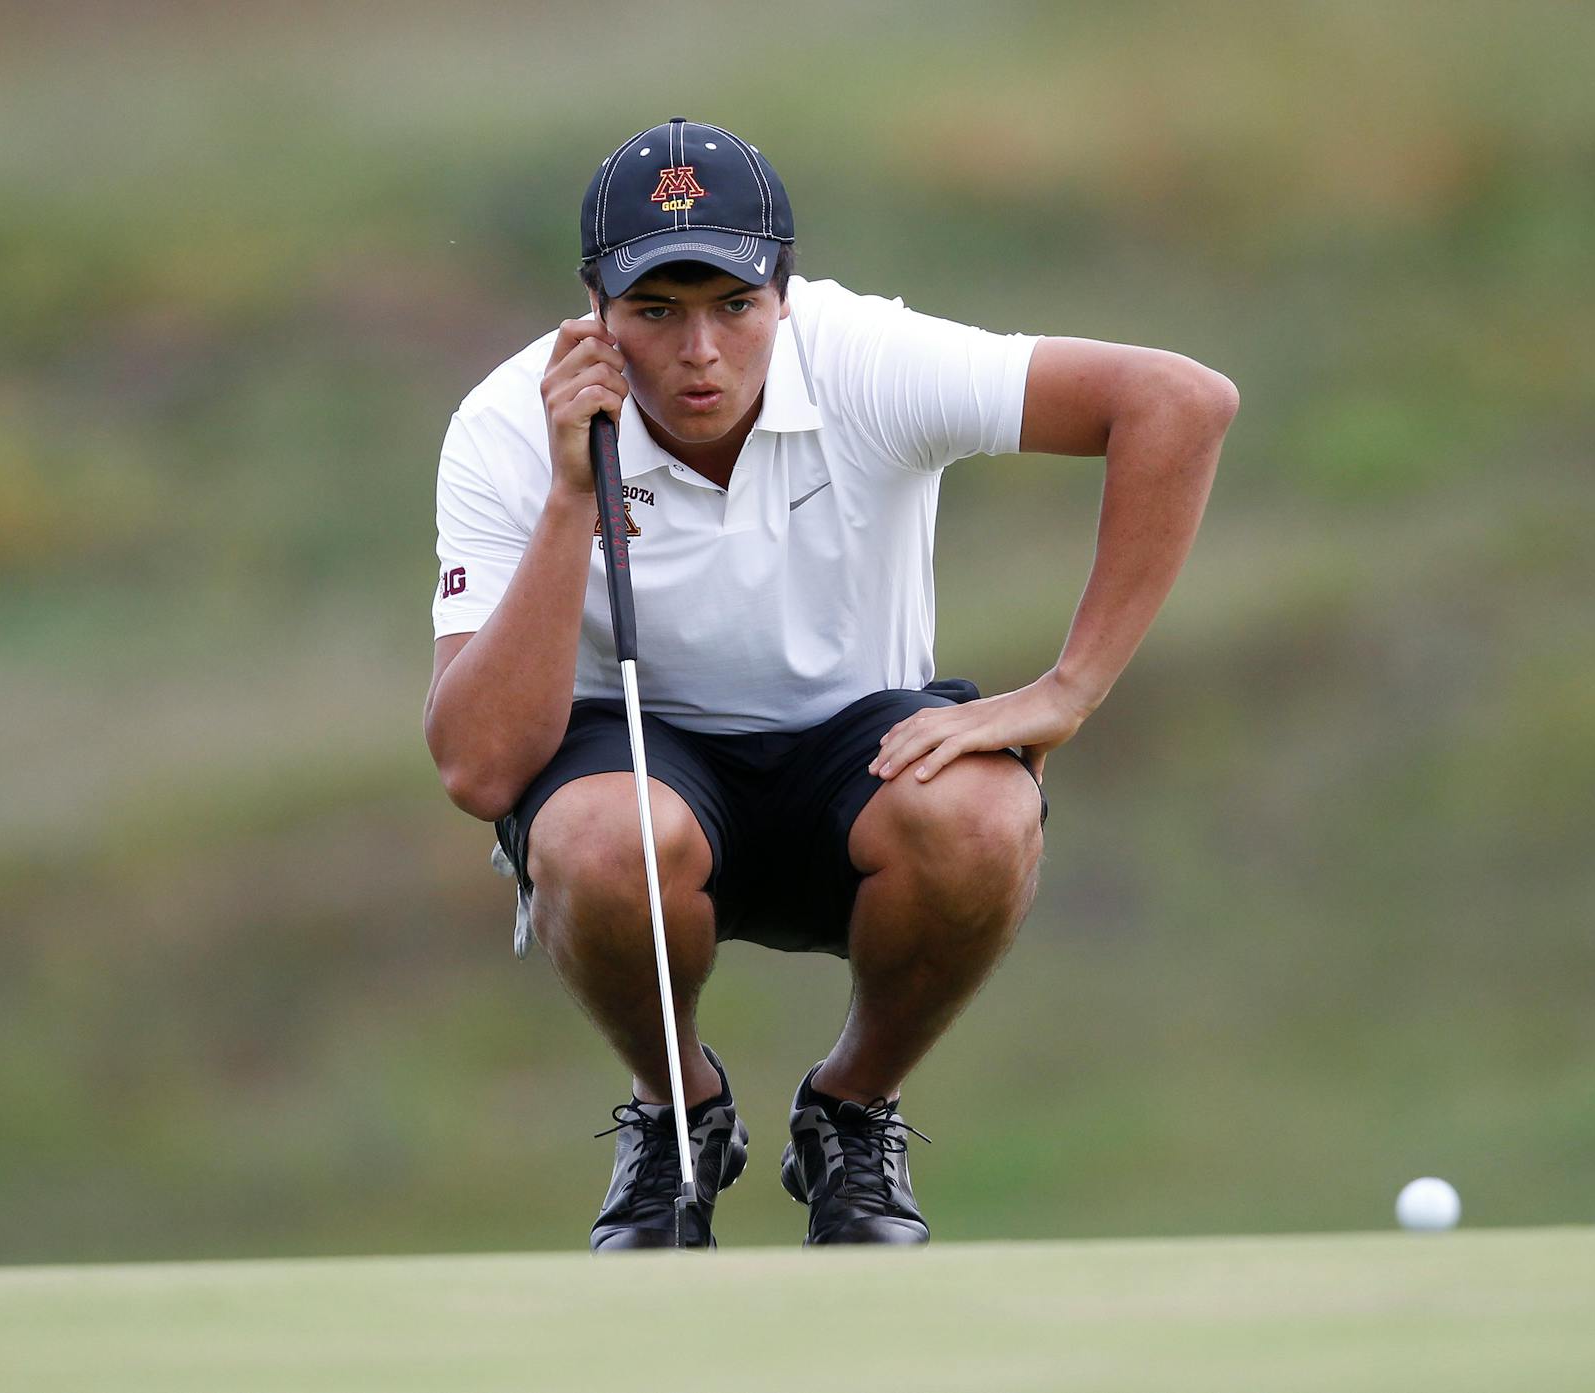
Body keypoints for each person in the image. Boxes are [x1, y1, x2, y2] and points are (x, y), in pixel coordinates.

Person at [424, 118, 1237, 1248]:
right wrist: (573, 496)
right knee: (602, 840)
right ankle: (677, 1119)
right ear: (596, 314)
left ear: (784, 296)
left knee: (983, 811)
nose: (699, 350)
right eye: (656, 311)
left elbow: (1178, 402)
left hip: (857, 757)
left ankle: (850, 1116)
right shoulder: (509, 426)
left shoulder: (863, 358)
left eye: (733, 305)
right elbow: (479, 765)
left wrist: (1069, 687)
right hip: (644, 763)